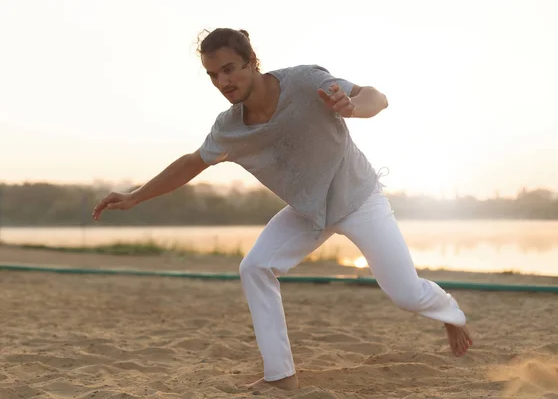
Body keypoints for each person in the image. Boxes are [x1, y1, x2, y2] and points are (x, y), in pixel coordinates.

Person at [92, 27, 473, 390]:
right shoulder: (229, 128)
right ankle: (280, 375)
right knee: (254, 267)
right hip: (308, 211)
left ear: (251, 62)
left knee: (406, 295)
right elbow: (193, 162)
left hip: (358, 199)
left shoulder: (305, 82)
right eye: (213, 76)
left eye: (229, 69)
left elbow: (378, 97)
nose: (223, 82)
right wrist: (136, 196)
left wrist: (352, 106)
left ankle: (450, 312)